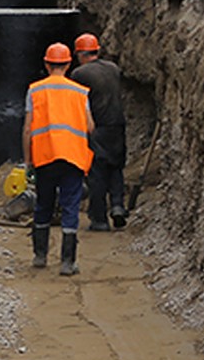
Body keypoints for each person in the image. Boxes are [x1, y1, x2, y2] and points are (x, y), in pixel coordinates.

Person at [22, 42, 95, 276]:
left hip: (44, 157)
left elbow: (27, 129)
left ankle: (40, 256)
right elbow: (91, 127)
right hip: (72, 158)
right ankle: (67, 262)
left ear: (46, 64)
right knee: (70, 206)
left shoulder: (35, 90)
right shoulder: (80, 92)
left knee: (43, 204)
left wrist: (28, 161)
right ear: (68, 64)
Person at [69, 33, 128, 231]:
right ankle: (118, 205)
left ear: (80, 54)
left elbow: (77, 103)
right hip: (118, 126)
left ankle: (99, 219)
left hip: (98, 127)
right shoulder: (113, 68)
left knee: (97, 173)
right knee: (116, 167)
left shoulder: (80, 74)